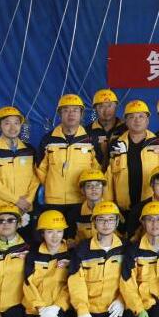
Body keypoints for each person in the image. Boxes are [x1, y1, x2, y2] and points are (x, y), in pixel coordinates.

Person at [37, 93, 104, 227]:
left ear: (81, 114)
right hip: (54, 200)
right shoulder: (48, 139)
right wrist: (52, 185)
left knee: (78, 236)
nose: (71, 114)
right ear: (60, 114)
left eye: (75, 110)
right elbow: (40, 169)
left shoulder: (90, 139)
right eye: (66, 110)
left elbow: (98, 169)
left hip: (81, 200)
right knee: (55, 236)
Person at [105, 100, 159, 215]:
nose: (137, 120)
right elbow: (108, 178)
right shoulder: (116, 145)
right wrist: (109, 208)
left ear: (147, 120)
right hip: (122, 211)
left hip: (153, 210)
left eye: (141, 116)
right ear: (126, 121)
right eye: (132, 117)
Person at [0, 105, 39, 221]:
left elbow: (36, 177)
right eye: (7, 123)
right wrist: (17, 201)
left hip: (25, 209)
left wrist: (28, 200)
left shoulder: (30, 151)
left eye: (16, 123)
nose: (13, 127)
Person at [73, 168, 109, 243]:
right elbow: (71, 240)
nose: (94, 189)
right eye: (89, 186)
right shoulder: (74, 212)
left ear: (103, 189)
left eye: (98, 185)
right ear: (83, 190)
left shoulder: (112, 210)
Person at [88, 88, 126, 160]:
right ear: (95, 109)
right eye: (101, 106)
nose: (106, 110)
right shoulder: (87, 131)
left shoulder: (127, 129)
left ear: (116, 106)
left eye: (109, 105)